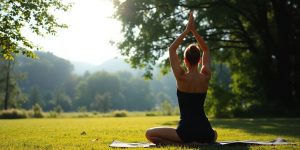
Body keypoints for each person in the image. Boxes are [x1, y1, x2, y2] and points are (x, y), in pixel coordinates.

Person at [145, 11, 217, 146]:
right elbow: (206, 50)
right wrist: (194, 31)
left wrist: (186, 31)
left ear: (185, 60)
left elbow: (172, 50)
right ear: (199, 60)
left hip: (185, 131)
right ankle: (197, 142)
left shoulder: (181, 77)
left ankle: (184, 144)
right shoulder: (206, 76)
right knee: (215, 134)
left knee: (149, 133)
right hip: (205, 131)